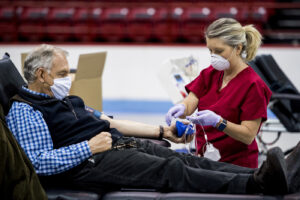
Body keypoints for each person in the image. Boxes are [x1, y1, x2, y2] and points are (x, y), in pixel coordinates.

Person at [6, 44, 293, 195]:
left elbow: (109, 121)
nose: (68, 79)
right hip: (88, 162)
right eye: (62, 74)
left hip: (112, 145)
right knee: (169, 169)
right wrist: (88, 148)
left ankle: (262, 176)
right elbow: (36, 162)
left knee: (182, 158)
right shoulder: (25, 110)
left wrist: (162, 132)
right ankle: (255, 186)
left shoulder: (65, 99)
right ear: (41, 75)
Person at [165, 18, 271, 168]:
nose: (214, 56)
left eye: (219, 51)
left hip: (237, 166)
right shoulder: (210, 74)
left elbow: (248, 135)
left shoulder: (254, 85)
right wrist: (181, 108)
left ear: (238, 48)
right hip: (205, 161)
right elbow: (191, 100)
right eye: (210, 51)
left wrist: (219, 122)